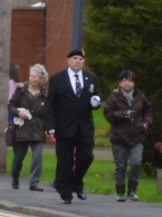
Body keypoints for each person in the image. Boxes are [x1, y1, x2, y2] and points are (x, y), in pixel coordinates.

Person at [47, 48, 101, 203]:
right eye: (75, 58)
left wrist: (95, 102)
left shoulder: (90, 78)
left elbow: (95, 97)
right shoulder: (57, 79)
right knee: (65, 161)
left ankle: (77, 182)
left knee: (86, 156)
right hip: (64, 127)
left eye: (81, 59)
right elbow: (50, 105)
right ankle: (65, 192)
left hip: (84, 126)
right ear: (68, 61)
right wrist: (51, 126)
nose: (78, 61)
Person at [103, 69, 153, 201]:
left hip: (137, 136)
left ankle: (132, 190)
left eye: (130, 80)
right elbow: (108, 114)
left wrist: (146, 123)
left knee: (136, 163)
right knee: (121, 166)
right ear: (120, 82)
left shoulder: (140, 96)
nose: (127, 83)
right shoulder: (114, 97)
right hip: (119, 137)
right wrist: (124, 114)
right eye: (124, 80)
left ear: (134, 83)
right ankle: (120, 192)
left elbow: (149, 110)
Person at [8, 63, 50, 192]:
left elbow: (49, 112)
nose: (32, 79)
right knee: (18, 157)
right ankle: (15, 177)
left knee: (37, 157)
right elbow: (10, 105)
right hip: (22, 128)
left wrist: (50, 128)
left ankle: (34, 183)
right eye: (31, 76)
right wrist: (18, 113)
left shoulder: (46, 94)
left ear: (41, 80)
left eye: (35, 77)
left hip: (38, 129)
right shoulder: (21, 91)